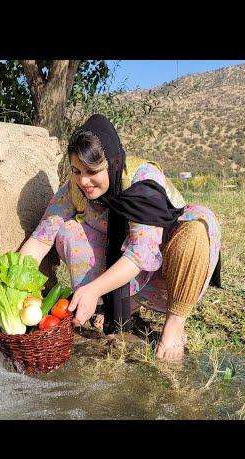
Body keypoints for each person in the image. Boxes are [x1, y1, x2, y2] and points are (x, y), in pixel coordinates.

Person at [19, 114, 221, 361]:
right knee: (68, 230)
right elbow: (42, 238)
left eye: (92, 170)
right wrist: (14, 281)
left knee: (194, 232)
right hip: (122, 267)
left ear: (112, 163)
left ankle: (174, 327)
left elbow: (142, 254)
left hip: (168, 270)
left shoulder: (141, 180)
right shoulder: (75, 187)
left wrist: (93, 290)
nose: (84, 180)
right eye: (76, 170)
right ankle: (114, 305)